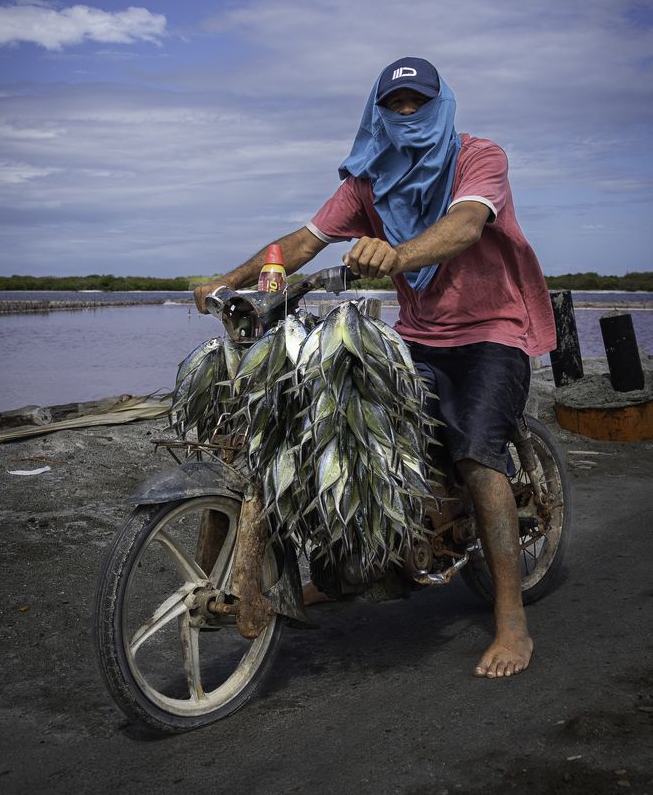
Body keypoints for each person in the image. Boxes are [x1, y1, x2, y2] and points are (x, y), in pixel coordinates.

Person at [194, 56, 556, 680]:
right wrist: (227, 282)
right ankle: (361, 569)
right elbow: (304, 242)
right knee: (348, 429)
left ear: (441, 104)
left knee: (475, 452)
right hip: (416, 334)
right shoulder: (367, 180)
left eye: (419, 102)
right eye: (395, 106)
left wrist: (398, 253)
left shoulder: (479, 157)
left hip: (493, 331)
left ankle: (511, 619)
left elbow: (467, 224)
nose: (408, 114)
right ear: (378, 113)